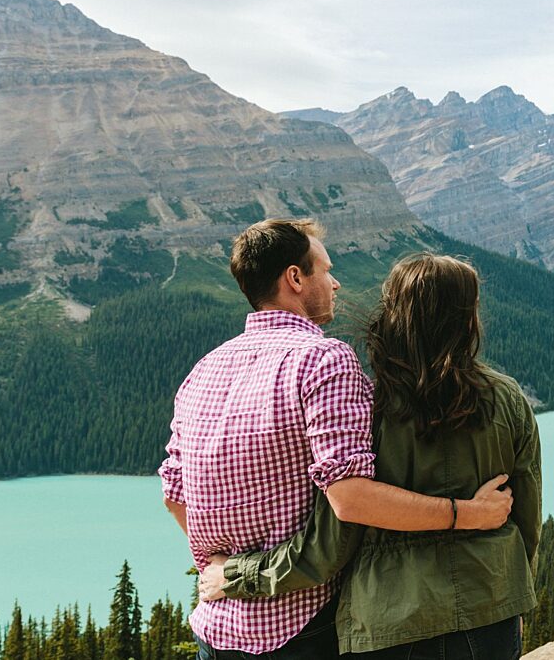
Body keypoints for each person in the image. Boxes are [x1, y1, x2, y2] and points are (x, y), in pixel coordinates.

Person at [159, 221, 513, 659]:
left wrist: (224, 566)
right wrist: (467, 513)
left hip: (215, 629)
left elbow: (174, 495)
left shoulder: (204, 370)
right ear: (295, 278)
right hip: (301, 627)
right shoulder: (323, 360)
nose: (336, 282)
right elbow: (351, 499)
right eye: (326, 270)